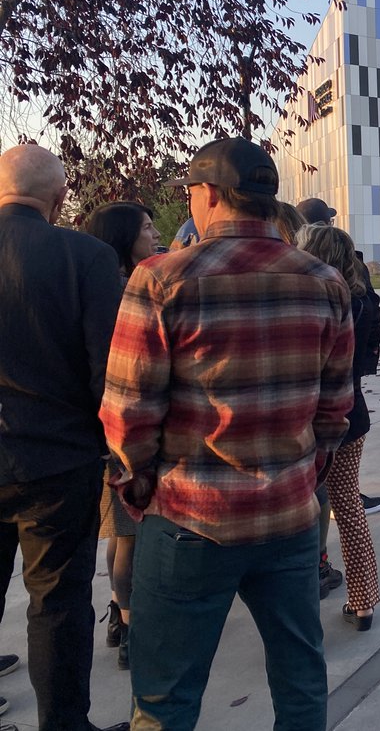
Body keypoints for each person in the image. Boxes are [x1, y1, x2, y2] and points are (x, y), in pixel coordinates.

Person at [101, 137, 355, 730]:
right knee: (301, 680)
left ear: (209, 194)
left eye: (190, 192)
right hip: (288, 517)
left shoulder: (161, 278)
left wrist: (138, 486)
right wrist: (301, 476)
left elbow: (127, 413)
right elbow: (334, 410)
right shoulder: (324, 281)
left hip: (190, 516)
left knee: (165, 699)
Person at [0, 145, 127, 731]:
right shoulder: (85, 256)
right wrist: (119, 449)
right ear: (59, 198)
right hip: (58, 461)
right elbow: (108, 371)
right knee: (57, 603)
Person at [82, 200, 161, 672]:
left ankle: (117, 609)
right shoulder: (119, 291)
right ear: (122, 235)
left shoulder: (109, 282)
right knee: (130, 534)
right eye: (147, 227)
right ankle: (131, 628)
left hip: (107, 429)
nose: (156, 234)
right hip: (121, 429)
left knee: (120, 530)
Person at [297, 223, 380, 632]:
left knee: (299, 509)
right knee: (347, 506)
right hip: (351, 411)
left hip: (305, 417)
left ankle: (301, 595)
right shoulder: (361, 302)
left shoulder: (306, 304)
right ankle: (363, 601)